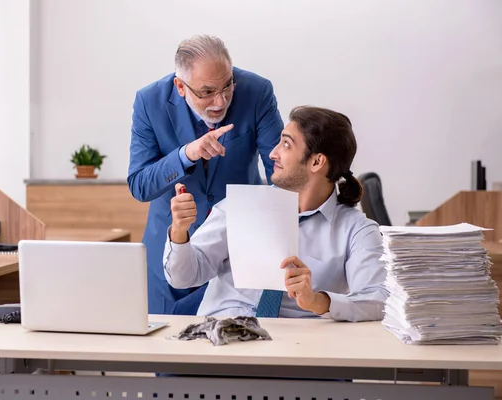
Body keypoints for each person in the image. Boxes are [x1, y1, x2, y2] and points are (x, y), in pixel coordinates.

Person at [163, 105, 388, 322]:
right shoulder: (238, 207)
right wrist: (179, 232)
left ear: (317, 161)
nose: (272, 153)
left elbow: (377, 300)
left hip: (299, 347)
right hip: (223, 338)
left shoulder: (357, 230)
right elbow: (182, 278)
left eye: (286, 145)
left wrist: (317, 301)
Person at [127, 34, 284, 315]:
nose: (220, 100)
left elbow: (281, 174)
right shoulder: (149, 102)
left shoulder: (257, 92)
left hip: (236, 254)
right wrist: (185, 154)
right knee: (164, 351)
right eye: (207, 92)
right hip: (169, 253)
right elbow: (140, 185)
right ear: (180, 87)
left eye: (227, 86)